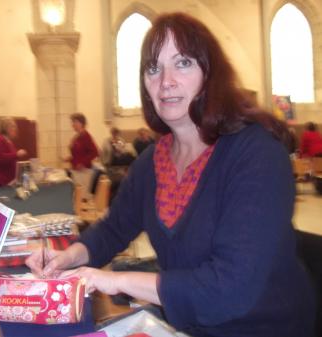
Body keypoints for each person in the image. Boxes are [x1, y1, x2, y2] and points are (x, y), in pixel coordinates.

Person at [27, 13, 316, 337]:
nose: (165, 81)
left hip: (265, 327)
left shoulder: (256, 153)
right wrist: (68, 257)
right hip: (188, 325)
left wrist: (111, 280)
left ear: (210, 73)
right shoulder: (152, 161)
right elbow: (113, 229)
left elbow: (230, 288)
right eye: (153, 68)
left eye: (183, 63)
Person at [63, 113, 98, 199]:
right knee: (77, 197)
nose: (72, 124)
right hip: (76, 170)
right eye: (72, 122)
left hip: (84, 171)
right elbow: (78, 154)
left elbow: (95, 152)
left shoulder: (86, 136)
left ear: (81, 123)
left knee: (82, 198)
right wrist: (69, 159)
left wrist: (82, 163)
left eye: (74, 122)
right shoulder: (77, 137)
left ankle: (82, 212)